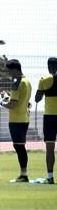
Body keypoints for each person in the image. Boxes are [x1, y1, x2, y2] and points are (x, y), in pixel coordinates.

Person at [1, 59, 32, 182]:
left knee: (19, 147)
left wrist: (2, 102)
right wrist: (7, 97)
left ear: (14, 70)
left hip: (16, 119)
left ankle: (24, 175)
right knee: (20, 146)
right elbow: (23, 101)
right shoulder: (27, 81)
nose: (9, 74)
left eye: (9, 71)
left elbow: (12, 105)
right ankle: (23, 174)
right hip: (24, 117)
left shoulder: (17, 83)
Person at [34, 56, 57, 184]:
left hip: (50, 116)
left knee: (50, 147)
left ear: (48, 66)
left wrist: (42, 90)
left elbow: (37, 98)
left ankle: (50, 176)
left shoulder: (44, 79)